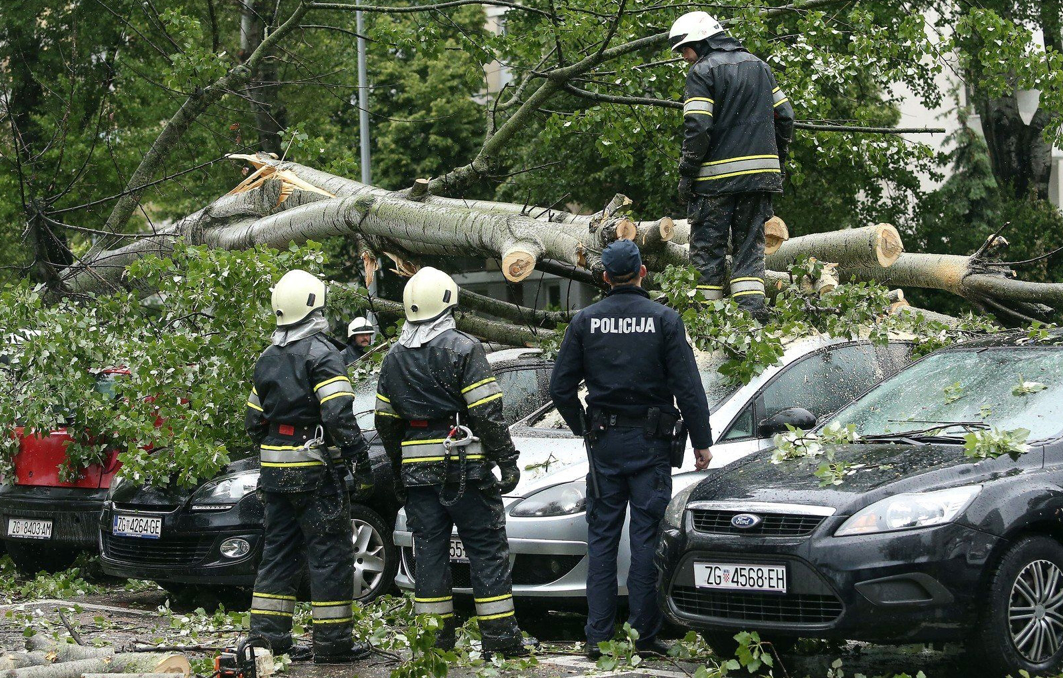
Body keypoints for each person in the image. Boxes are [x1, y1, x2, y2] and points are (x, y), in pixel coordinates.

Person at [548, 240, 713, 659]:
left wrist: (583, 427)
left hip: (604, 443)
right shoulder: (665, 320)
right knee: (645, 538)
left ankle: (597, 637)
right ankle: (643, 634)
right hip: (651, 443)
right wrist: (702, 442)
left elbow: (560, 388)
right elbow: (688, 389)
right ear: (643, 273)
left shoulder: (585, 321)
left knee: (601, 538)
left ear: (604, 278)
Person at [372, 267, 531, 658]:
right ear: (448, 303)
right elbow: (487, 413)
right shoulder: (463, 347)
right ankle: (502, 641)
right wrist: (507, 461)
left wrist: (399, 471)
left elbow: (386, 424)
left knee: (428, 554)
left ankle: (435, 642)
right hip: (465, 471)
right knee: (486, 550)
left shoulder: (393, 358)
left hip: (418, 476)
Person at [245, 269, 373, 664]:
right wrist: (359, 459)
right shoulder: (323, 353)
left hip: (275, 474)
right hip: (316, 473)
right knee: (330, 553)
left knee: (279, 553)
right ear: (314, 306)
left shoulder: (267, 358)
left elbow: (253, 421)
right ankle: (334, 644)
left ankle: (268, 641)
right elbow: (337, 414)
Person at [669, 10, 794, 321]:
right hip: (758, 182)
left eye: (684, 49)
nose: (685, 57)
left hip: (714, 185)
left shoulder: (702, 72)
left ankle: (709, 326)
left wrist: (687, 172)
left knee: (708, 251)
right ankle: (751, 321)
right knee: (749, 250)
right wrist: (776, 159)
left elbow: (698, 127)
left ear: (702, 41)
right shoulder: (760, 66)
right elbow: (787, 117)